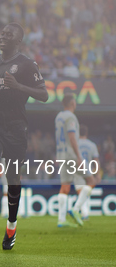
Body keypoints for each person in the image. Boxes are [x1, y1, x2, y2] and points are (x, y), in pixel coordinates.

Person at [0, 23, 48, 250]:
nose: (4, 36)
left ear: (18, 41)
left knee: (13, 178)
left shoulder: (27, 64)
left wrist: (18, 86)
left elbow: (44, 94)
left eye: (9, 35)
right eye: (2, 33)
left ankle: (12, 226)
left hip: (16, 127)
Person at [55, 94, 94, 227]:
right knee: (91, 180)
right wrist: (79, 156)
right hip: (71, 155)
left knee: (65, 186)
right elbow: (72, 137)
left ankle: (61, 220)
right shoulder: (71, 117)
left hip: (61, 155)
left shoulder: (59, 117)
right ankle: (76, 209)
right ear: (72, 103)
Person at [77, 125, 100, 221]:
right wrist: (97, 173)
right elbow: (96, 160)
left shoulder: (75, 143)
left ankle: (83, 212)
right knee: (85, 192)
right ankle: (84, 212)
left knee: (80, 191)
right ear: (86, 133)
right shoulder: (92, 145)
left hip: (76, 169)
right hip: (88, 170)